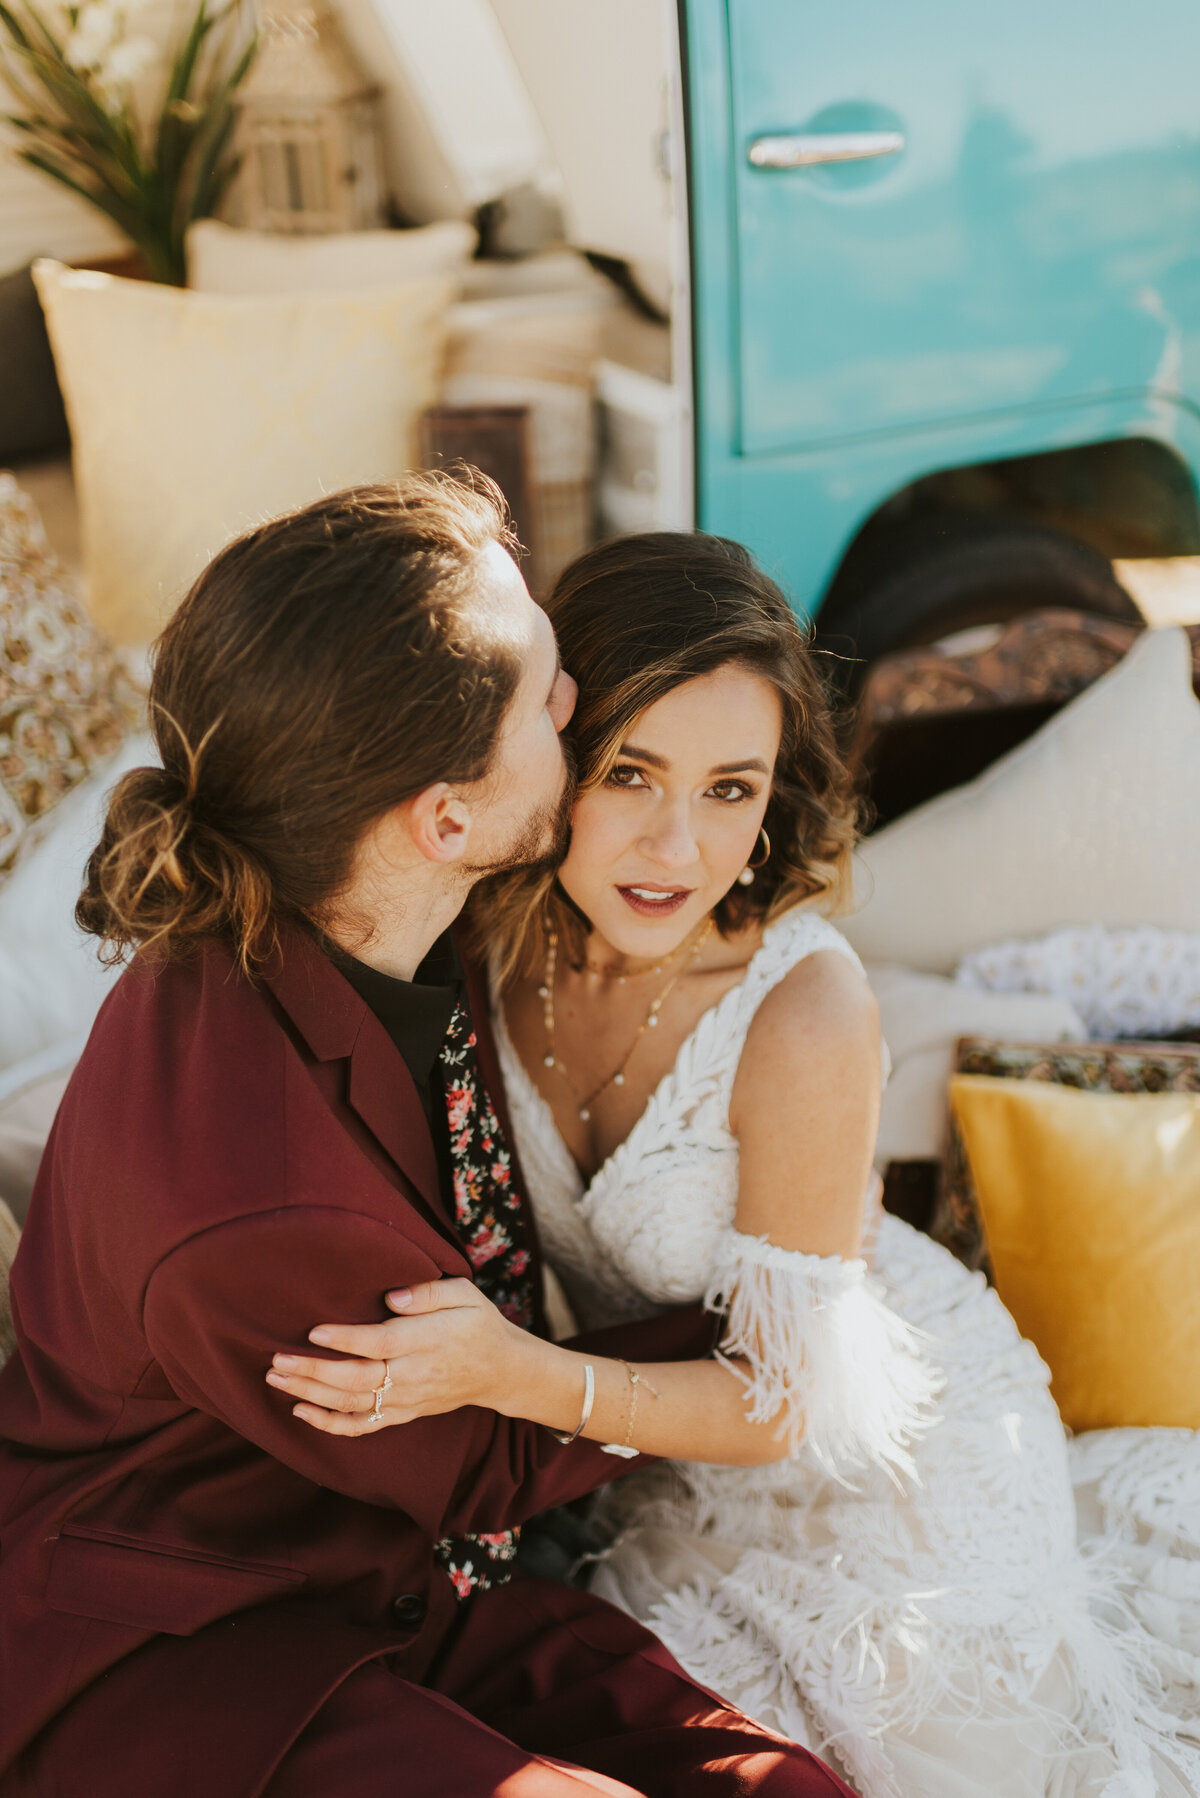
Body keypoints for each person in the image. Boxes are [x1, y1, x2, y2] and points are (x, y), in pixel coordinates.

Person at [274, 532, 1200, 1798]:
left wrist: (512, 1373)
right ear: (549, 757)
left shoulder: (804, 1009)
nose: (677, 847)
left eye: (731, 787)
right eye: (631, 772)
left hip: (882, 1466)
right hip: (646, 1455)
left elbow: (787, 1400)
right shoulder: (490, 929)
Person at [0, 481, 857, 1798]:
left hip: (387, 1572)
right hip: (196, 1651)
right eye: (543, 695)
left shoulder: (363, 905)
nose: (577, 700)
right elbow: (482, 1456)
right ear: (445, 815)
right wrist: (760, 1338)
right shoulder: (266, 1201)